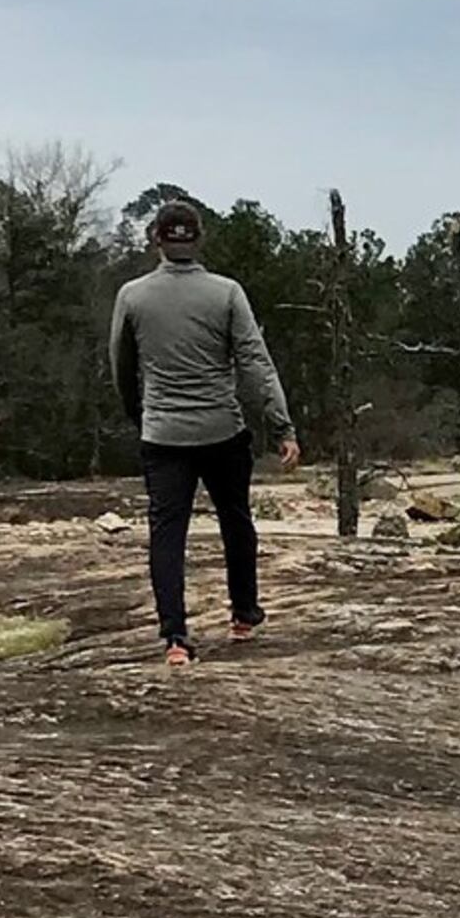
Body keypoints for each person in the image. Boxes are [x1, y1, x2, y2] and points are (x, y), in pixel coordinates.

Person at [106, 195, 299, 665]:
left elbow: (120, 366)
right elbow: (255, 363)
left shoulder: (132, 296)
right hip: (222, 429)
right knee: (236, 518)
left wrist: (141, 415)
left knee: (167, 533)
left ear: (156, 239)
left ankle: (175, 637)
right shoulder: (227, 292)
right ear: (199, 239)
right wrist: (282, 426)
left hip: (163, 434)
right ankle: (243, 613)